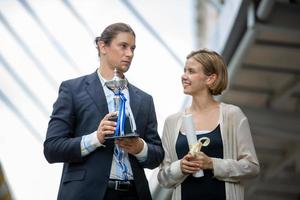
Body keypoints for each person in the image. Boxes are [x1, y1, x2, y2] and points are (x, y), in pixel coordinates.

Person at [44, 22, 164, 200]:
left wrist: (140, 147)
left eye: (133, 48)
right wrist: (95, 138)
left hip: (135, 194)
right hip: (86, 194)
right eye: (123, 46)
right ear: (103, 46)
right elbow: (52, 148)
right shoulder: (73, 90)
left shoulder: (145, 100)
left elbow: (157, 155)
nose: (130, 54)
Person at [157, 49, 260, 200]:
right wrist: (180, 167)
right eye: (184, 70)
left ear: (210, 78)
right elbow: (163, 179)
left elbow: (252, 167)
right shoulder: (172, 122)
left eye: (191, 71)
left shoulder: (232, 115)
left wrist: (212, 163)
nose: (183, 76)